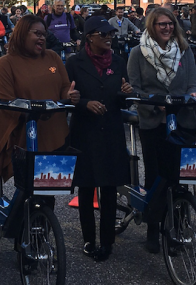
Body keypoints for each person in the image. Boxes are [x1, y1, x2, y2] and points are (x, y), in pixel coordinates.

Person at [127, 7, 196, 253]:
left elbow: (193, 81)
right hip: (153, 121)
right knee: (156, 176)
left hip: (182, 120)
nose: (167, 28)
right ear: (152, 26)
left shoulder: (184, 50)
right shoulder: (138, 53)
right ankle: (153, 228)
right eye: (161, 24)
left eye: (170, 23)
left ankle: (179, 227)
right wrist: (153, 102)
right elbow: (135, 89)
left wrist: (194, 93)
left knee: (180, 178)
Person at [65, 16, 132, 262]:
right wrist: (83, 103)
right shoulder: (74, 62)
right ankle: (88, 239)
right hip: (85, 131)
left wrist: (127, 93)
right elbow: (67, 96)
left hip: (112, 132)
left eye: (110, 34)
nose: (108, 38)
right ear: (89, 37)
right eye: (103, 34)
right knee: (86, 186)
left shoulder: (119, 61)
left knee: (109, 187)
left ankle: (107, 241)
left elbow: (123, 95)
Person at [0, 15, 80, 181]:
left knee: (49, 189)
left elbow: (64, 86)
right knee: (27, 190)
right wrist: (37, 112)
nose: (42, 38)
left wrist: (69, 95)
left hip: (54, 133)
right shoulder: (4, 64)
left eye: (44, 34)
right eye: (37, 33)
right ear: (22, 34)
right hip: (25, 135)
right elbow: (5, 103)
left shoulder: (52, 57)